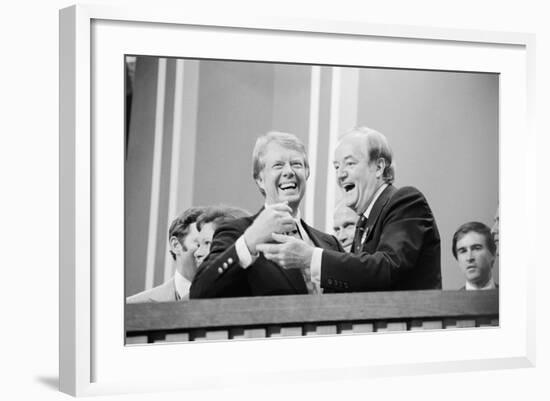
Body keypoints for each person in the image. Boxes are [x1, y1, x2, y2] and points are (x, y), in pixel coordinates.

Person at [257, 126, 442, 292]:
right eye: (337, 167)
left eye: (350, 163)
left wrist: (311, 257)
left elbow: (387, 268)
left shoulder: (406, 201)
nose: (340, 174)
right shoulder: (363, 221)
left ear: (378, 167)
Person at [190, 131, 343, 298]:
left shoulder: (330, 244)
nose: (289, 172)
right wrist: (249, 242)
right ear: (260, 180)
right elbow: (200, 291)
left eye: (296, 164)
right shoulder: (237, 233)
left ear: (306, 173)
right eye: (278, 165)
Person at [126, 206, 205, 303]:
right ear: (176, 245)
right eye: (199, 244)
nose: (208, 251)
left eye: (212, 244)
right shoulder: (134, 305)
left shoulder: (227, 300)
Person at [452, 221, 498, 290]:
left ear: (493, 254)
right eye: (463, 251)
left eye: (476, 248)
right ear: (457, 259)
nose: (469, 257)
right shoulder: (449, 300)